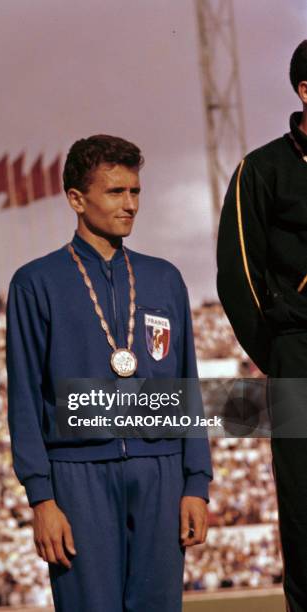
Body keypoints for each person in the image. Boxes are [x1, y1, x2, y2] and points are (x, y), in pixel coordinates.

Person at [6, 134, 213, 612]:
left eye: (136, 191)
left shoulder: (164, 277)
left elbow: (188, 388)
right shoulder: (36, 282)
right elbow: (25, 398)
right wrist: (42, 499)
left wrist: (196, 483)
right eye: (116, 192)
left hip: (160, 472)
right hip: (78, 477)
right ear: (77, 199)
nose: (131, 205)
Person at [217, 40, 307, 612]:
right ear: (305, 91)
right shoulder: (263, 168)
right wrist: (280, 355)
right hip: (296, 351)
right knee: (304, 510)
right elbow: (238, 277)